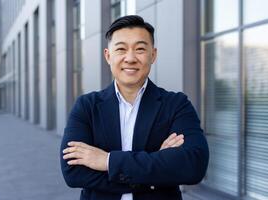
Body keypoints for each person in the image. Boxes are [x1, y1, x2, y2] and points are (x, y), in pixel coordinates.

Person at [60, 15, 209, 200]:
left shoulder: (176, 104)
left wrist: (107, 161)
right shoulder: (87, 107)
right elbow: (73, 172)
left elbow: (193, 165)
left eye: (140, 49)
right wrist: (156, 167)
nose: (130, 58)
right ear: (108, 55)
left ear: (153, 55)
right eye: (121, 49)